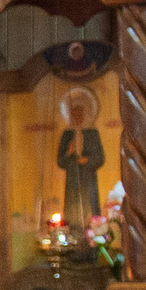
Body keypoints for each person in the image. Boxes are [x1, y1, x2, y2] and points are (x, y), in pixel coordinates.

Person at [55, 88, 104, 230]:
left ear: (85, 112)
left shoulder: (92, 133)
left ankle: (94, 241)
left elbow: (100, 158)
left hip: (88, 179)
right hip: (73, 180)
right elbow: (60, 161)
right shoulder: (67, 134)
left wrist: (87, 160)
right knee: (72, 215)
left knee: (91, 212)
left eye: (79, 112)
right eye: (74, 112)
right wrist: (69, 154)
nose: (77, 115)